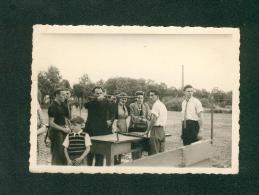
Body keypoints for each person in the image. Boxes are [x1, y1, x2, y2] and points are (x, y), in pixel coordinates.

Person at [84, 86, 114, 166]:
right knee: (89, 154)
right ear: (93, 94)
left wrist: (110, 121)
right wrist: (97, 100)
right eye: (97, 93)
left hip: (102, 131)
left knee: (100, 156)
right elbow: (86, 105)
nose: (99, 95)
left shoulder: (107, 101)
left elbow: (113, 113)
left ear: (103, 93)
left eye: (101, 93)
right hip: (90, 130)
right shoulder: (91, 101)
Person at [48, 88, 71, 165]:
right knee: (58, 154)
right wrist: (63, 129)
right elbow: (51, 123)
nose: (65, 96)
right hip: (56, 132)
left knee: (64, 152)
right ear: (57, 95)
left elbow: (67, 117)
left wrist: (68, 126)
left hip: (63, 129)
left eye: (66, 95)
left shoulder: (63, 104)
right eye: (63, 95)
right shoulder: (52, 106)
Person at [129, 91, 151, 159]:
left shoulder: (146, 105)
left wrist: (146, 118)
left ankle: (140, 159)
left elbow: (149, 116)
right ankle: (134, 160)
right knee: (135, 146)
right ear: (136, 98)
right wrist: (142, 119)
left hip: (144, 128)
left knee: (142, 145)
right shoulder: (132, 105)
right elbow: (133, 117)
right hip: (135, 128)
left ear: (143, 98)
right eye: (138, 98)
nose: (140, 99)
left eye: (141, 98)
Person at [147, 90, 168, 155]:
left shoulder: (156, 105)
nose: (150, 97)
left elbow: (153, 120)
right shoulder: (162, 105)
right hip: (162, 130)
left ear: (157, 96)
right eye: (150, 95)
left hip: (156, 130)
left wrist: (147, 131)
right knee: (161, 154)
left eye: (152, 95)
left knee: (154, 153)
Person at [112, 92, 130, 165]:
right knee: (116, 144)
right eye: (122, 99)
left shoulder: (126, 107)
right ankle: (115, 160)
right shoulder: (115, 106)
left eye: (125, 99)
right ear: (119, 99)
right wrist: (115, 127)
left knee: (122, 145)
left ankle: (119, 160)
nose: (124, 100)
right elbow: (113, 117)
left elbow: (127, 117)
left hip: (124, 126)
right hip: (117, 126)